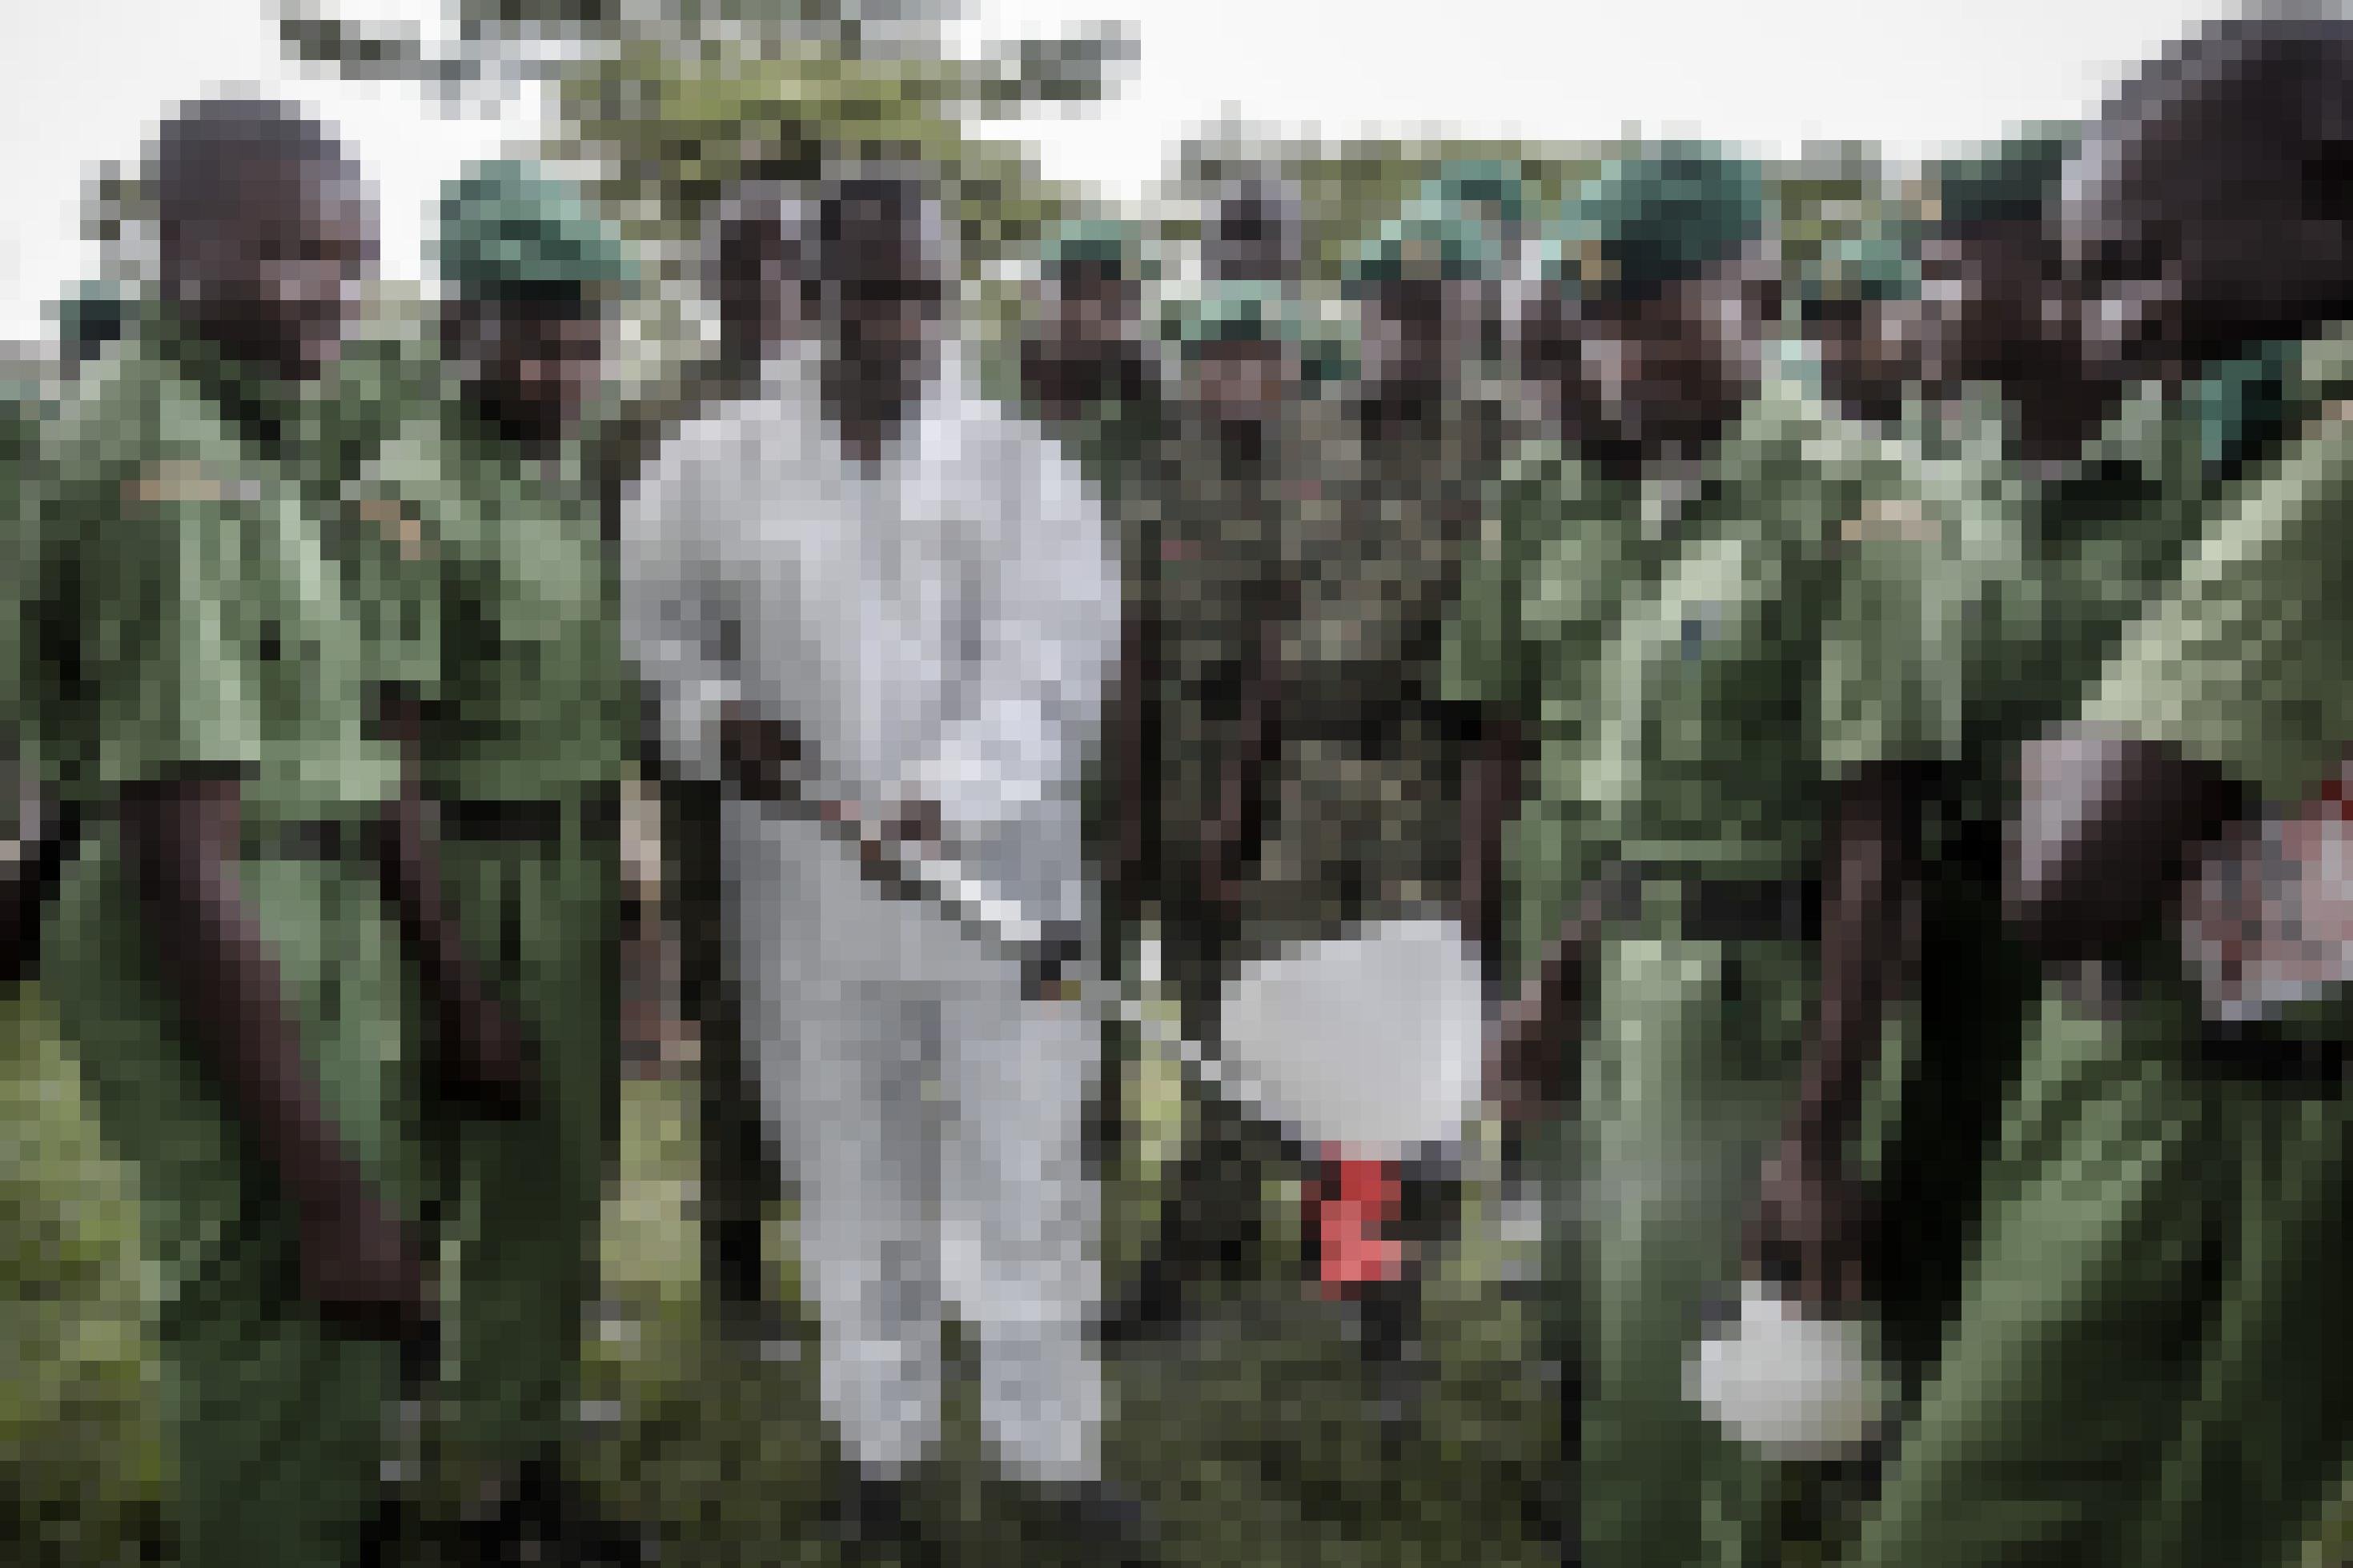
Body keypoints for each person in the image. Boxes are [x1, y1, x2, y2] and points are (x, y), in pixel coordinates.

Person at [1846, 18, 2353, 1567]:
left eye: (2144, 262)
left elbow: (2069, 880)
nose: (2113, 326)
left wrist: (2076, 785)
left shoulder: (2325, 472)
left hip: (2216, 1132)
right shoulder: (2253, 445)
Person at [5, 96, 535, 1568]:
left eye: (352, 259)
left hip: (283, 904)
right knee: (275, 1291)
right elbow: (178, 855)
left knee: (321, 1330)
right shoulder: (172, 474)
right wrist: (325, 1191)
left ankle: (321, 1520)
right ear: (177, 248)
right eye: (292, 255)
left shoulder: (239, 427)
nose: (334, 295)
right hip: (226, 919)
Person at [623, 170, 1142, 1565]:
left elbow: (1052, 677)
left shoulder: (1023, 470)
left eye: (924, 295)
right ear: (810, 294)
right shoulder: (711, 466)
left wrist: (940, 800)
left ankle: (1049, 1460)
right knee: (854, 1185)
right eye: (871, 296)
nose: (901, 327)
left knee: (1028, 1178)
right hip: (806, 904)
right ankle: (880, 1462)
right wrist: (707, 722)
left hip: (998, 895)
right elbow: (660, 642)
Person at [1456, 143, 1961, 1568]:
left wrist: (1814, 1140)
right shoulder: (1672, 512)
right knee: (1630, 1356)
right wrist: (1554, 979)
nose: (1627, 365)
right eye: (1607, 332)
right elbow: (1647, 809)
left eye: (1665, 322)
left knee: (1699, 1398)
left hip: (1760, 1001)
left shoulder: (1860, 505)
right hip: (1637, 978)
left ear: (1764, 293)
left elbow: (1880, 839)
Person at [346, 158, 647, 1565]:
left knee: (552, 1193)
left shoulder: (556, 474)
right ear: (462, 322)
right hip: (462, 885)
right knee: (445, 1187)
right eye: (538, 338)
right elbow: (385, 757)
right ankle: (421, 1484)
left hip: (576, 878)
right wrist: (457, 983)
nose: (565, 368)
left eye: (585, 341)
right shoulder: (408, 497)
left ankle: (502, 1473)